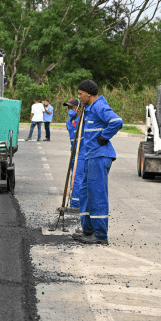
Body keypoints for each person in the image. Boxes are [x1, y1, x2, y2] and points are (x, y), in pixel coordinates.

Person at [73, 79, 123, 245]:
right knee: (85, 193)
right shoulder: (90, 109)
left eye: (80, 94)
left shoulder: (99, 106)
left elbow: (116, 121)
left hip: (99, 157)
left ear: (88, 94)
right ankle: (88, 230)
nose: (79, 97)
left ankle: (100, 235)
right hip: (91, 156)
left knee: (97, 194)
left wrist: (104, 136)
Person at [64, 98, 84, 210]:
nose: (70, 110)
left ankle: (76, 204)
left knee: (77, 177)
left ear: (79, 109)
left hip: (82, 152)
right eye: (69, 108)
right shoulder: (69, 121)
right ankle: (73, 200)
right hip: (73, 152)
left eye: (72, 107)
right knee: (73, 177)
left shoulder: (83, 120)